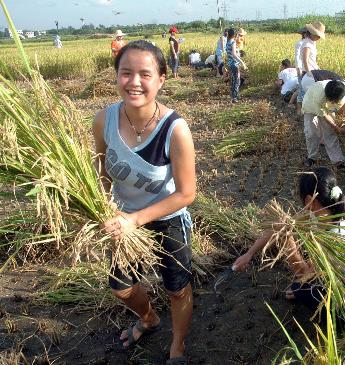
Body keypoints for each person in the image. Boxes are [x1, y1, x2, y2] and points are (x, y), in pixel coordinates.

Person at [92, 40, 196, 365]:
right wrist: (102, 206)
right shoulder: (103, 121)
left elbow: (186, 193)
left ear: (162, 78)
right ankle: (149, 318)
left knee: (177, 288)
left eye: (144, 74)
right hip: (123, 216)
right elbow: (100, 172)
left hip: (167, 215)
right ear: (117, 76)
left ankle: (177, 345)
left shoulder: (175, 130)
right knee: (121, 287)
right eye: (126, 73)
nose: (134, 82)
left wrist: (135, 220)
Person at [233, 167, 345, 309]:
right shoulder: (318, 213)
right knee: (300, 287)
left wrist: (287, 239)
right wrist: (249, 254)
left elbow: (305, 274)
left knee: (301, 289)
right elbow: (280, 225)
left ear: (310, 200)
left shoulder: (335, 237)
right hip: (334, 274)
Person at [302, 80, 345, 168]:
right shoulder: (319, 95)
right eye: (329, 99)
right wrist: (338, 128)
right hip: (310, 105)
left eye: (333, 101)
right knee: (311, 132)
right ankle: (312, 157)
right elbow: (324, 115)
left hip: (327, 108)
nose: (331, 102)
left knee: (329, 132)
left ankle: (338, 160)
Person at [297, 21, 325, 104]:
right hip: (308, 72)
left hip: (313, 70)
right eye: (318, 35)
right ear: (312, 33)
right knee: (305, 92)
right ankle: (304, 110)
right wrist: (309, 72)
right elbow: (305, 59)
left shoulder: (312, 42)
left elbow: (312, 60)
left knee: (310, 92)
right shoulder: (307, 44)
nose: (319, 38)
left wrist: (317, 68)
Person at [225, 28, 247, 103]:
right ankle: (234, 97)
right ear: (234, 35)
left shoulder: (228, 42)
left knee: (234, 79)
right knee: (237, 81)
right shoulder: (233, 42)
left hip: (230, 64)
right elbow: (234, 54)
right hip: (234, 64)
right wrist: (242, 62)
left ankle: (234, 95)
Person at [293, 27, 308, 114]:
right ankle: (299, 110)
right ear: (305, 34)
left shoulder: (310, 43)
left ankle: (305, 109)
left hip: (308, 70)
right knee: (302, 90)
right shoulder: (300, 43)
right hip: (302, 69)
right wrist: (299, 69)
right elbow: (297, 57)